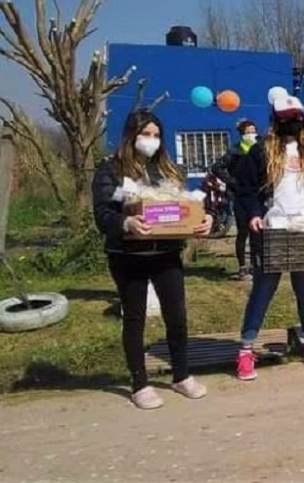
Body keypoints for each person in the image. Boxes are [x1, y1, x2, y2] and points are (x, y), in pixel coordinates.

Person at [91, 109, 213, 410]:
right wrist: (125, 223)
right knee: (135, 318)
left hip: (166, 254)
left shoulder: (168, 170)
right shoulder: (111, 170)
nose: (151, 140)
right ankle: (140, 384)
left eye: (156, 135)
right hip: (128, 255)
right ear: (131, 136)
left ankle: (181, 375)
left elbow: (186, 206)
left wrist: (205, 218)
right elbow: (102, 213)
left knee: (177, 316)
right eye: (145, 134)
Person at [234, 93, 304, 380]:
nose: (292, 123)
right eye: (286, 118)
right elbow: (244, 188)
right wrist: (254, 213)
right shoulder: (261, 150)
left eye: (296, 118)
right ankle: (245, 349)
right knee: (263, 290)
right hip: (275, 227)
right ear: (276, 119)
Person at [210, 119, 259, 281]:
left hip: (257, 195)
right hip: (240, 196)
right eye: (248, 131)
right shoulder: (236, 150)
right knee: (243, 231)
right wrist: (232, 182)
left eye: (253, 130)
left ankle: (255, 265)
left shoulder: (260, 149)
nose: (251, 134)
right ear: (242, 134)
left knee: (257, 233)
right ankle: (242, 268)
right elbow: (217, 167)